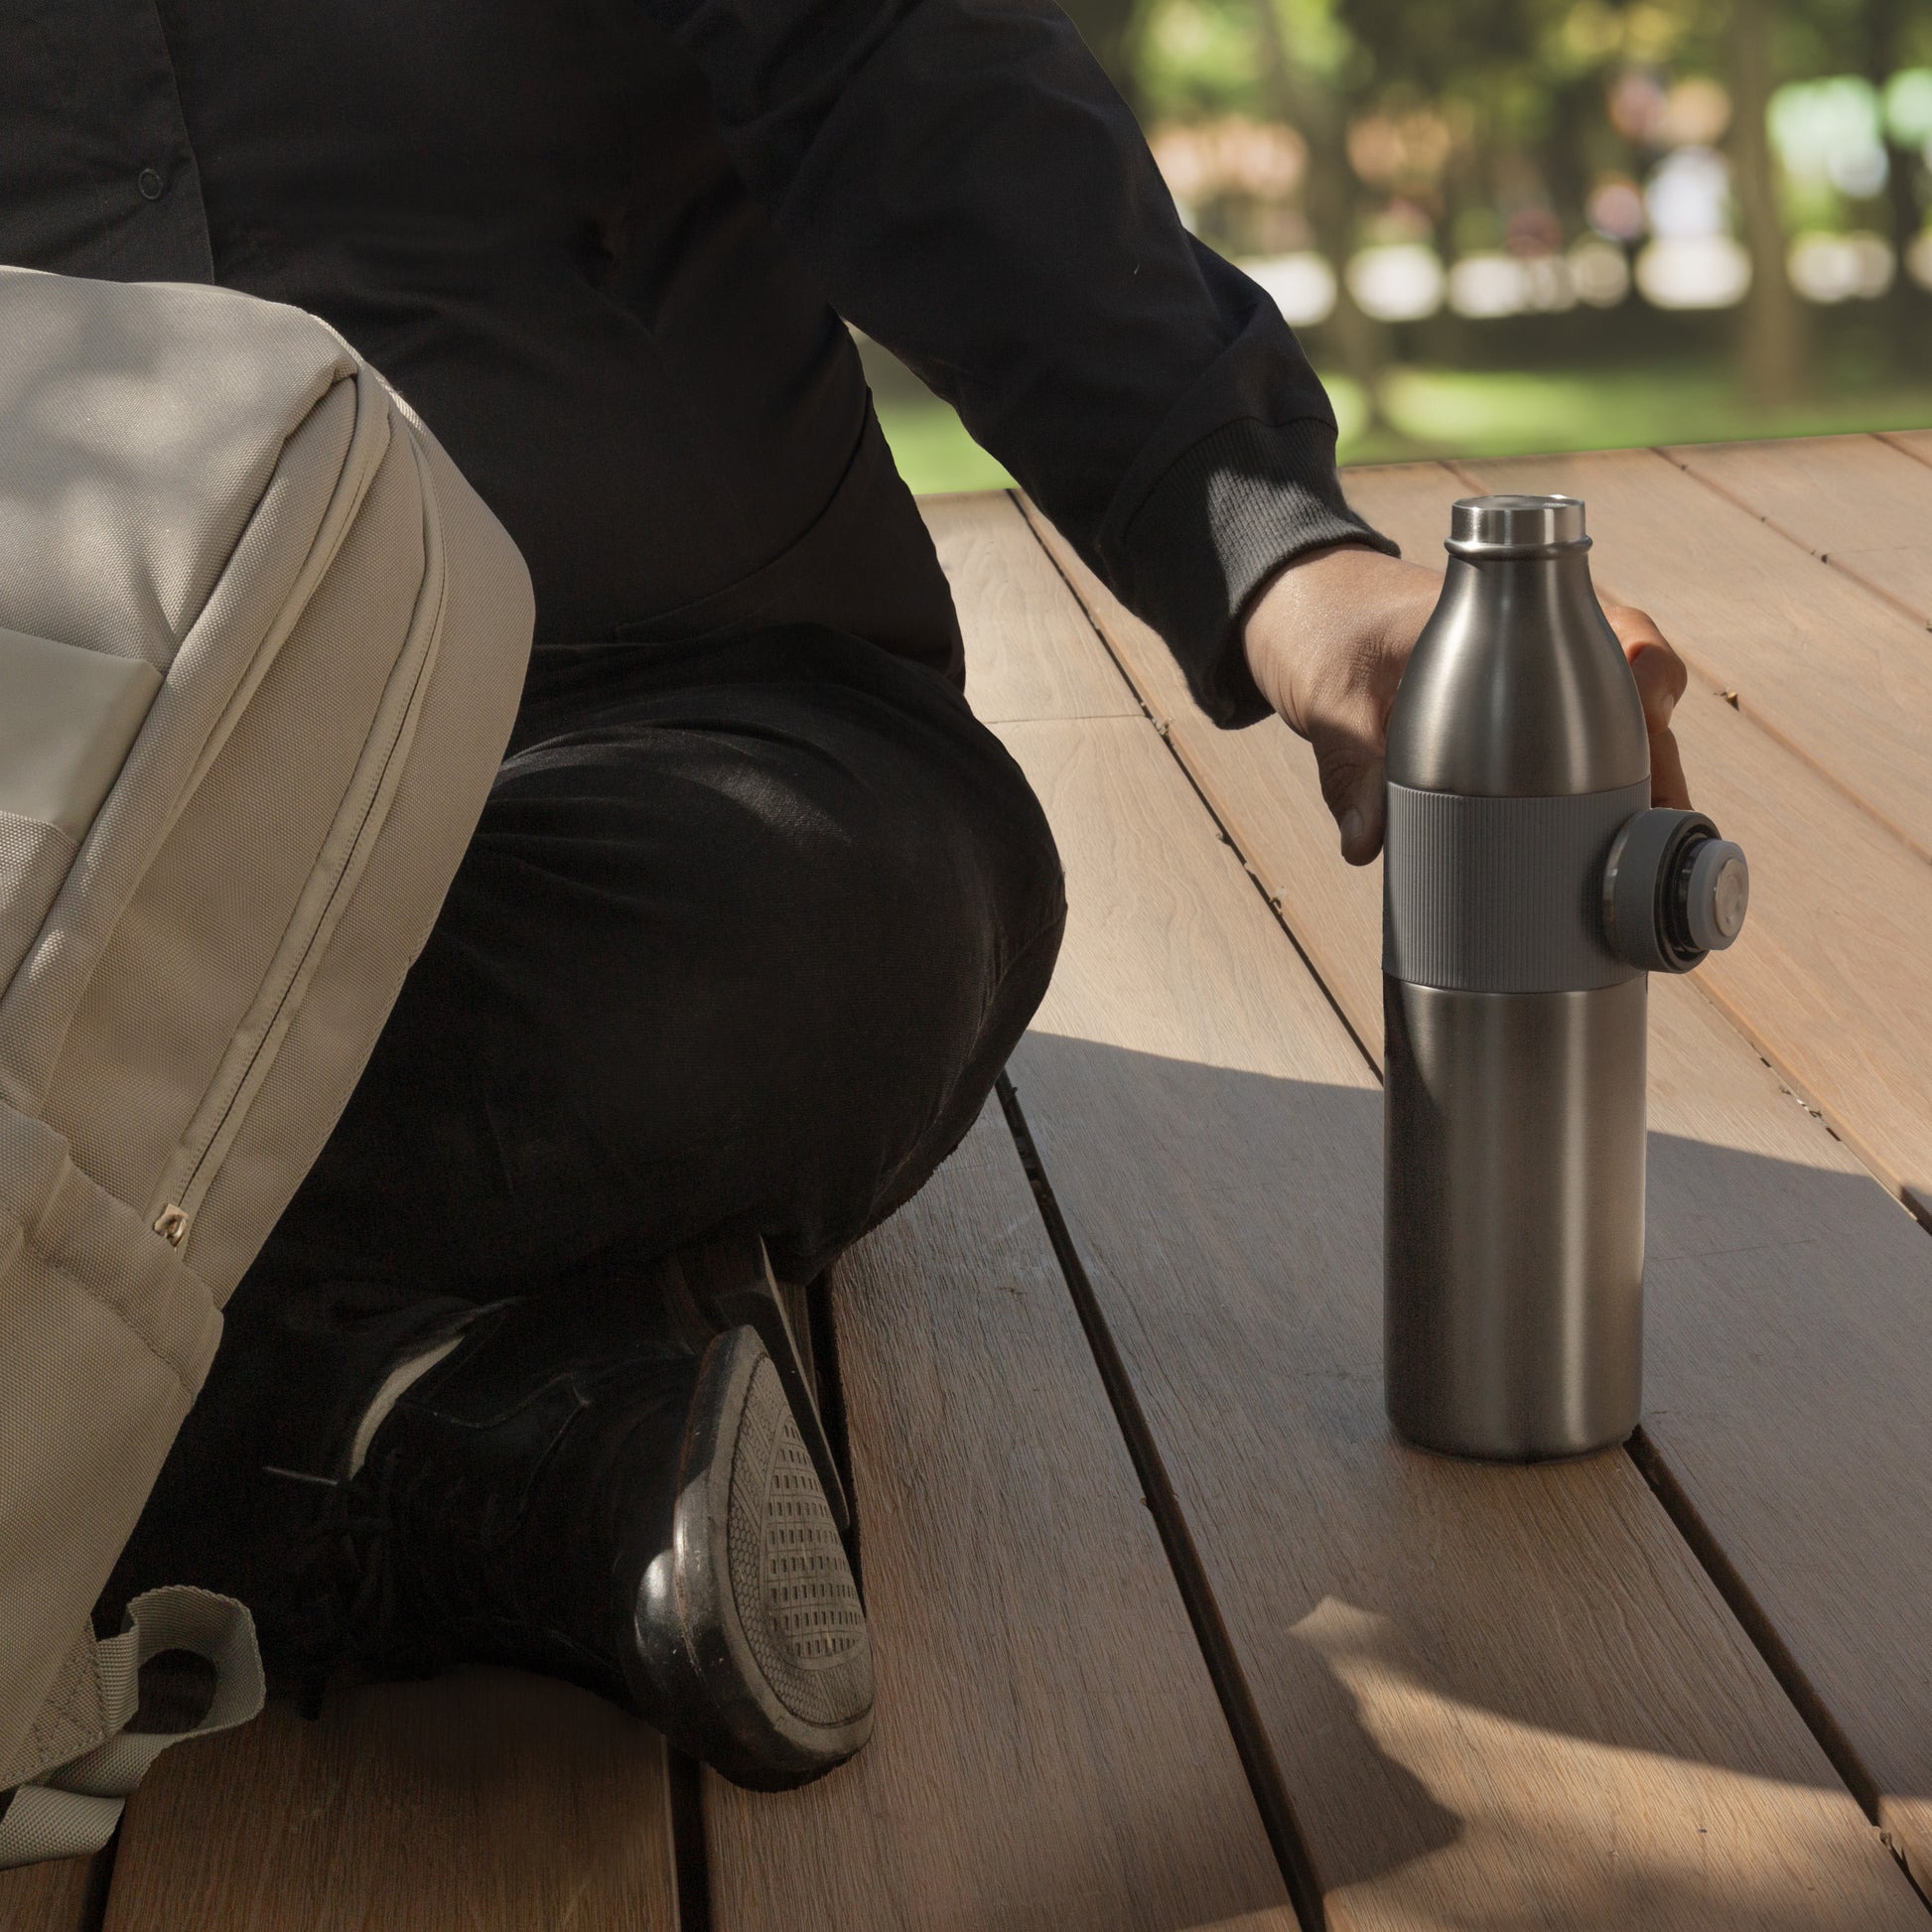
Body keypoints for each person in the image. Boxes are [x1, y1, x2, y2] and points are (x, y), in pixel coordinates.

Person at [7, 0, 1691, 1790]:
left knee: (826, 943)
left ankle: (224, 1424)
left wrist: (1287, 560)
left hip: (670, 744)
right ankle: (429, 1463)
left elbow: (901, 67)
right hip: (73, 800)